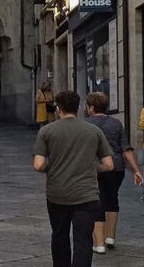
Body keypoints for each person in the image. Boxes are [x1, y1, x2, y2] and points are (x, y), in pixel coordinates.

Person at [33, 90, 113, 267]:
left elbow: (38, 164)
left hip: (57, 193)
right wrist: (92, 166)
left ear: (58, 108)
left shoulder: (46, 131)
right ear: (78, 107)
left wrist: (52, 166)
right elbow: (108, 165)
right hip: (86, 194)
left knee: (59, 236)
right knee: (83, 239)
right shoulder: (93, 131)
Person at [85, 92, 143, 253]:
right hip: (116, 167)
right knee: (112, 198)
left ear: (91, 108)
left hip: (94, 166)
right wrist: (137, 171)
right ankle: (110, 237)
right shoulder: (116, 124)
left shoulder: (85, 124)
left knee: (97, 201)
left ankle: (99, 244)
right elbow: (126, 149)